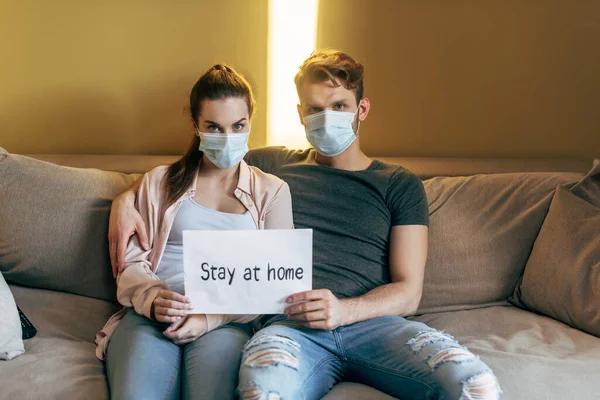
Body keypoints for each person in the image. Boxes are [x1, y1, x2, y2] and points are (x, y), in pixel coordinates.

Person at [109, 51, 501, 399]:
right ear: (299, 114)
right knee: (262, 394)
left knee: (476, 387)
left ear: (362, 108)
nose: (326, 118)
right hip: (288, 326)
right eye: (314, 109)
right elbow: (204, 165)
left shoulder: (399, 183)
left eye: (339, 105)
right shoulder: (276, 167)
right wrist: (124, 200)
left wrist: (343, 310)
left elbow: (409, 291)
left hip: (374, 325)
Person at [95, 64, 294, 400]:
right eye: (214, 127)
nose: (228, 138)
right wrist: (154, 299)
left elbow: (276, 282)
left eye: (238, 126)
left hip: (226, 321)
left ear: (250, 122)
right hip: (151, 316)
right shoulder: (160, 182)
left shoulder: (272, 191)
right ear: (195, 125)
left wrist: (210, 317)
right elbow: (130, 263)